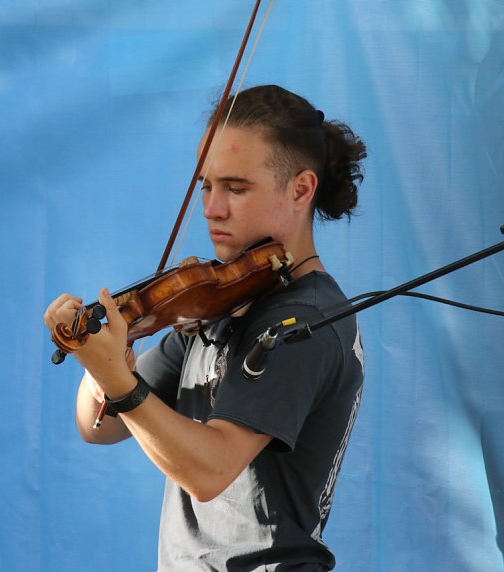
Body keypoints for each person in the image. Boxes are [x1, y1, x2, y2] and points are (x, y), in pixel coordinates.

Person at [44, 84, 367, 571]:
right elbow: (102, 426)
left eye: (235, 188)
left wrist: (116, 376)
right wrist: (109, 348)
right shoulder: (221, 301)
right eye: (206, 186)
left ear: (301, 189)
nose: (211, 208)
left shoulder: (306, 321)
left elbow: (210, 469)